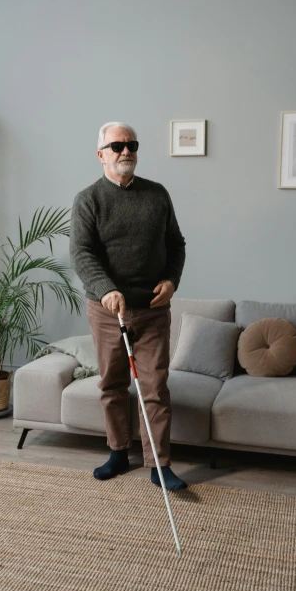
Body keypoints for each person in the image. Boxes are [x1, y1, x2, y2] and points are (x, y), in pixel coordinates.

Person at [69, 122, 188, 490]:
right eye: (117, 145)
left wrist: (171, 280)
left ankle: (159, 465)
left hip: (152, 310)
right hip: (108, 312)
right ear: (101, 154)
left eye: (131, 144)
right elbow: (81, 253)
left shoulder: (157, 195)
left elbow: (176, 244)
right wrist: (105, 289)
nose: (126, 151)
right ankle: (118, 452)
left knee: (155, 387)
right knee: (113, 385)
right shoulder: (88, 199)